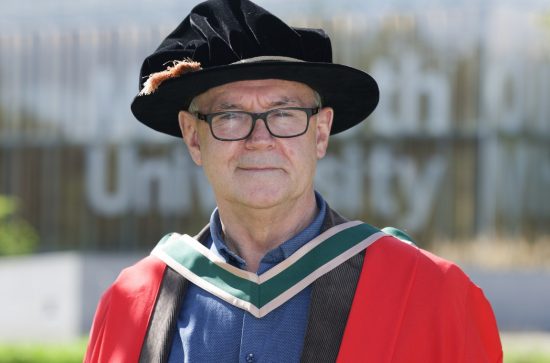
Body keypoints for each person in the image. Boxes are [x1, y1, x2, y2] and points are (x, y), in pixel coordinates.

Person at [84, 0, 503, 362]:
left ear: (320, 133)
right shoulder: (131, 306)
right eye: (230, 116)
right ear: (194, 137)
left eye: (284, 114)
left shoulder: (429, 295)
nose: (259, 139)